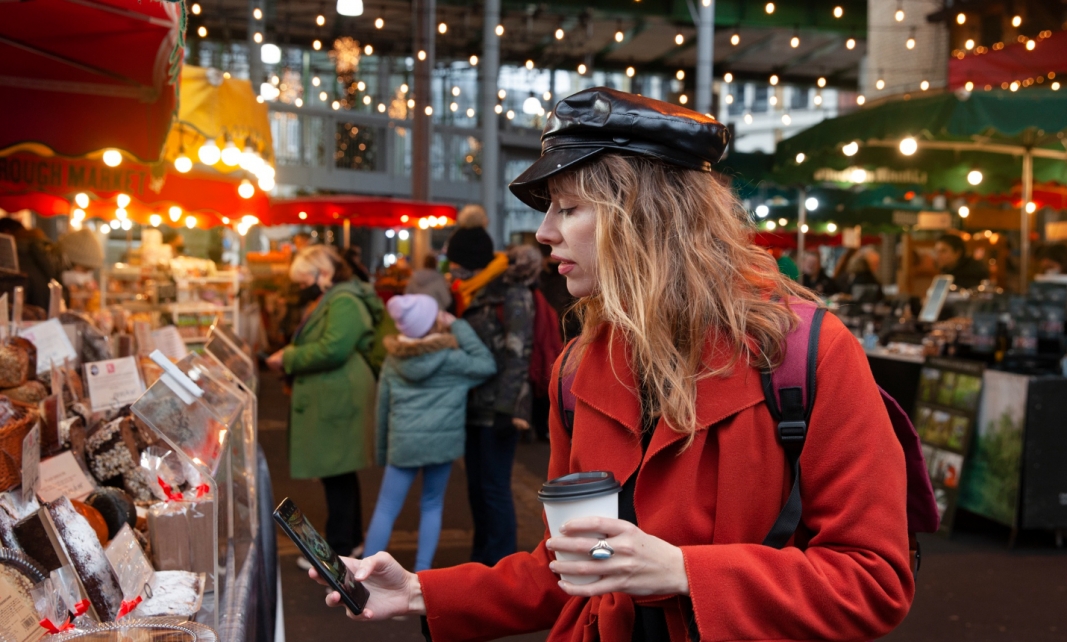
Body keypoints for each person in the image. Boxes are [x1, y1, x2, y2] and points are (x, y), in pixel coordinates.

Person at [310, 88, 913, 641]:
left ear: (647, 219)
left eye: (568, 208)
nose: (544, 232)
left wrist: (683, 571)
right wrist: (420, 590)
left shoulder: (809, 355)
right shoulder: (578, 369)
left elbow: (873, 580)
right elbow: (568, 568)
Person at [266, 245, 383, 565]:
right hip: (338, 394)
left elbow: (334, 348)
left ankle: (340, 549)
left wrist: (288, 357)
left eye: (305, 282)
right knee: (340, 473)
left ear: (324, 273)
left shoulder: (344, 300)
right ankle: (348, 543)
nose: (303, 288)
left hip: (340, 397)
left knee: (337, 473)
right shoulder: (339, 297)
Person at [363, 294, 496, 571]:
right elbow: (487, 363)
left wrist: (381, 451)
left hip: (403, 443)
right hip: (441, 444)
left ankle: (362, 573)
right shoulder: (452, 359)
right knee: (432, 504)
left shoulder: (392, 361)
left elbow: (382, 408)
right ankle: (422, 574)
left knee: (386, 509)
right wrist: (458, 325)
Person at [445, 203, 537, 566]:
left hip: (500, 407)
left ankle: (501, 565)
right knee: (476, 488)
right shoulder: (470, 292)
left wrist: (505, 407)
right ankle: (481, 559)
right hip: (471, 404)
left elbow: (519, 353)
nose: (451, 267)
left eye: (456, 260)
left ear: (472, 260)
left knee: (495, 488)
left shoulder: (511, 292)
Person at [0, 217, 63, 310]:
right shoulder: (41, 248)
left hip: (30, 312)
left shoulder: (19, 252)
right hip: (45, 310)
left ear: (6, 233)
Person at [57, 228, 104, 312]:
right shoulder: (50, 283)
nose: (86, 274)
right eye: (85, 269)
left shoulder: (64, 284)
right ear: (67, 262)